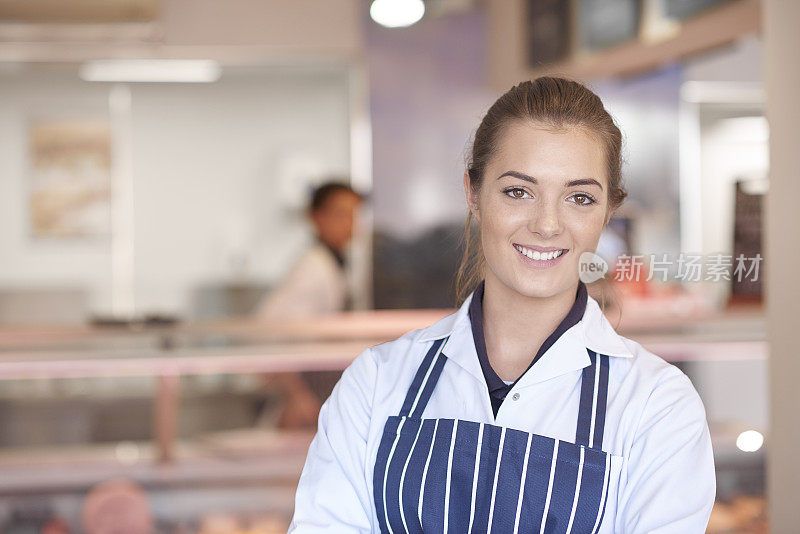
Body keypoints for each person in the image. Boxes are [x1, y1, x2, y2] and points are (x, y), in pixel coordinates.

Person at [289, 78, 715, 532]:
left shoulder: (657, 406)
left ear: (609, 212)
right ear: (473, 193)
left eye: (579, 198)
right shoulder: (376, 382)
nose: (547, 225)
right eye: (518, 191)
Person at [255, 181, 364, 429]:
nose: (350, 223)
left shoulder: (334, 264)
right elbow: (264, 329)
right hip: (304, 393)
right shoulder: (313, 268)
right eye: (340, 214)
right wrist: (295, 394)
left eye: (354, 214)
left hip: (320, 391)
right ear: (316, 217)